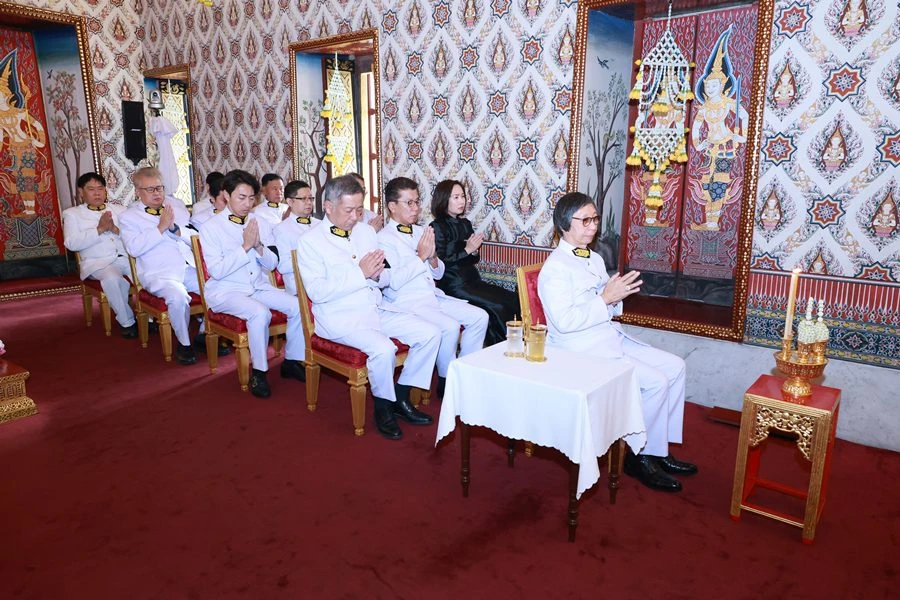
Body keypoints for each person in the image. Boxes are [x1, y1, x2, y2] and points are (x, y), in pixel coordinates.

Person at [537, 192, 696, 492]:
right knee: (656, 382)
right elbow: (565, 323)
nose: (593, 226)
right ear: (564, 224)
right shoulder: (555, 269)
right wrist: (605, 299)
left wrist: (614, 296)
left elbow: (607, 305)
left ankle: (658, 448)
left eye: (595, 219)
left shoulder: (595, 258)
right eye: (585, 220)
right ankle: (639, 456)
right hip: (580, 349)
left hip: (606, 336)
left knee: (676, 367)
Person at [296, 175, 439, 440]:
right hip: (341, 318)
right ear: (328, 207)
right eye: (349, 210)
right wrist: (360, 273)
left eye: (359, 210)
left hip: (374, 308)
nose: (355, 217)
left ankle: (401, 396)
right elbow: (317, 292)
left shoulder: (366, 232)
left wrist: (378, 275)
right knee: (384, 349)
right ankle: (383, 409)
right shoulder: (309, 242)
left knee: (431, 334)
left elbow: (381, 278)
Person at [198, 169, 306, 398]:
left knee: (298, 306)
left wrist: (258, 246)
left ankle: (292, 360)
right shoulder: (210, 228)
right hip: (226, 291)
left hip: (257, 286)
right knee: (259, 313)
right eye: (241, 197)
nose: (247, 204)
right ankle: (259, 372)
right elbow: (216, 271)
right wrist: (245, 246)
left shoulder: (260, 223)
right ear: (226, 195)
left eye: (251, 198)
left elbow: (271, 264)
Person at [380, 177, 489, 397]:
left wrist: (432, 259)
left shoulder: (421, 231)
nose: (416, 208)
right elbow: (394, 282)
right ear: (392, 206)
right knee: (449, 327)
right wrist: (420, 257)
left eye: (417, 201)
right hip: (408, 302)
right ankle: (447, 381)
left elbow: (438, 273)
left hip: (432, 296)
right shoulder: (383, 239)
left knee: (480, 317)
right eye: (409, 203)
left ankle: (464, 372)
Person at [119, 166, 199, 365]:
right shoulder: (129, 217)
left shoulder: (176, 208)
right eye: (150, 189)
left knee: (218, 286)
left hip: (186, 267)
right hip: (158, 273)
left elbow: (195, 237)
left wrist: (175, 229)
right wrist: (160, 227)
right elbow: (133, 249)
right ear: (138, 192)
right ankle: (185, 344)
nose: (157, 193)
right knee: (178, 297)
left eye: (159, 188)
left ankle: (205, 334)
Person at [429, 179, 520, 346]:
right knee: (497, 306)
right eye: (456, 197)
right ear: (443, 199)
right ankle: (498, 348)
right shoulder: (436, 227)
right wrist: (467, 250)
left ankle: (518, 344)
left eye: (463, 196)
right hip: (453, 285)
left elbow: (473, 259)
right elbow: (440, 263)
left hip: (473, 280)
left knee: (512, 298)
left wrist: (474, 251)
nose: (461, 201)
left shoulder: (465, 224)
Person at [62, 172, 137, 338]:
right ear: (81, 192)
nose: (97, 193)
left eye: (100, 188)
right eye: (91, 189)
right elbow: (71, 243)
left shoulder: (120, 210)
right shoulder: (72, 214)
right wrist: (100, 229)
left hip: (126, 258)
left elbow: (135, 236)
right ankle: (127, 322)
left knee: (147, 274)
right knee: (112, 279)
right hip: (98, 263)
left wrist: (115, 229)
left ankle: (150, 317)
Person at [274, 180, 320, 295]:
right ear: (290, 201)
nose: (309, 202)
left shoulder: (320, 225)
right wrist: (311, 257)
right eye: (303, 199)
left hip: (323, 282)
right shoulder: (281, 229)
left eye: (311, 198)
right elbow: (283, 266)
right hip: (299, 288)